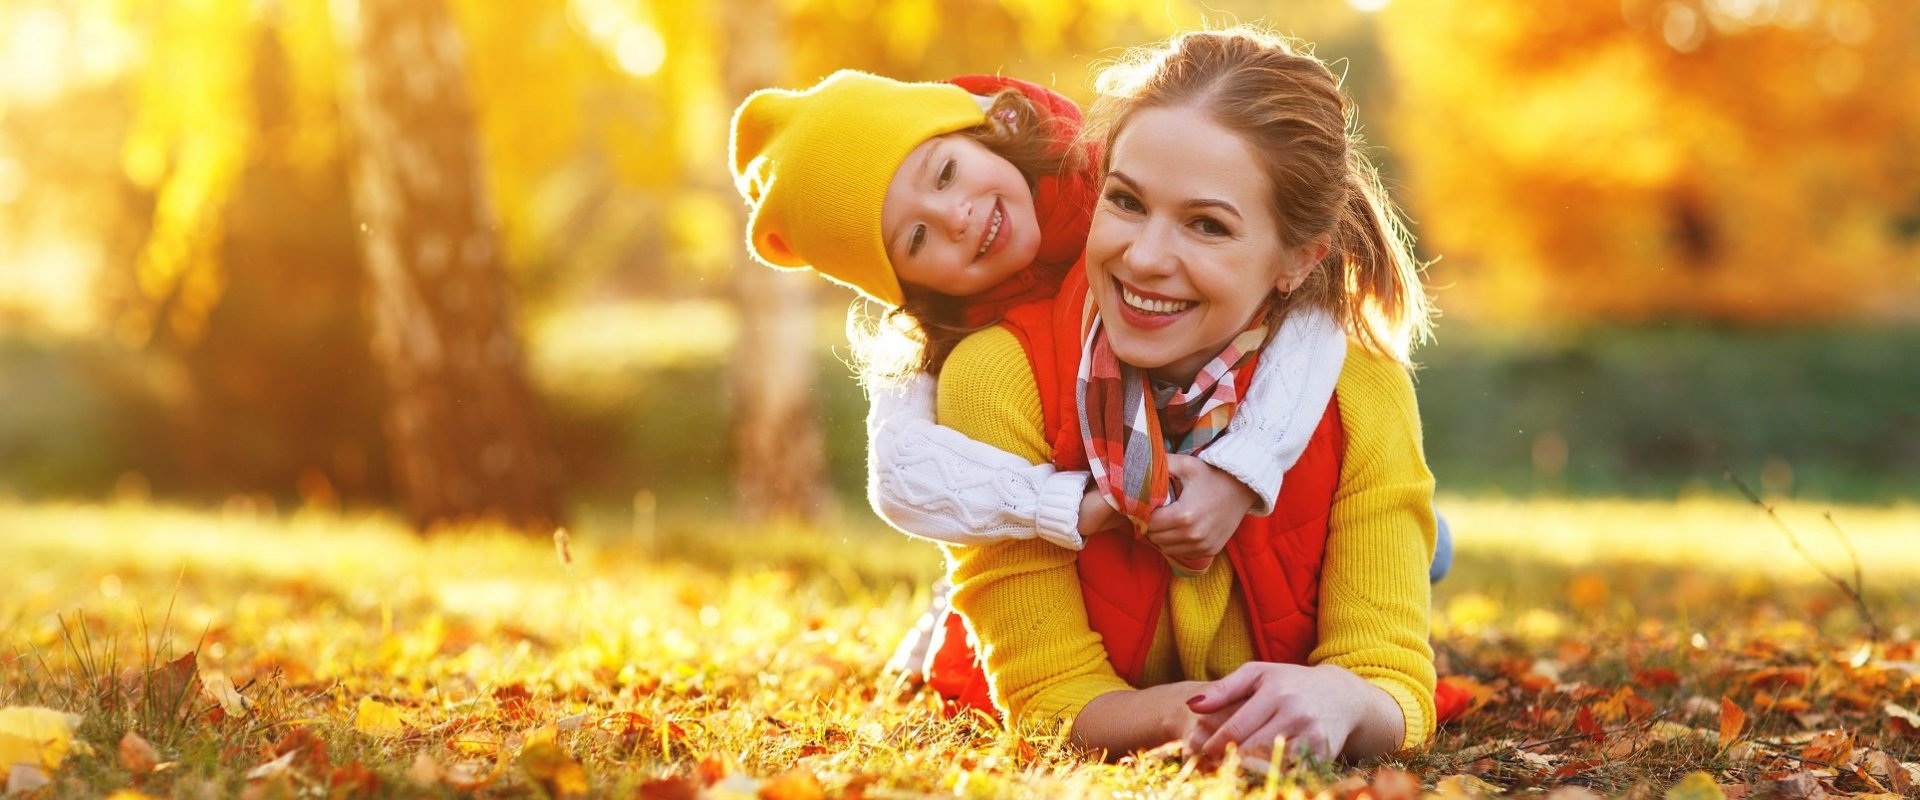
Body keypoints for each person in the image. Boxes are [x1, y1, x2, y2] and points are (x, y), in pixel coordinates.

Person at [728, 70, 1351, 679]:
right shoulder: (949, 346)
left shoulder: (1117, 182)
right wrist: (1061, 503)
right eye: (916, 237)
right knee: (978, 500)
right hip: (1076, 534)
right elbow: (902, 472)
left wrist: (1239, 474)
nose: (957, 218)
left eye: (945, 173)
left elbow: (1314, 316)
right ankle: (950, 611)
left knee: (1399, 535)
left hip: (1240, 469)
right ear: (909, 288)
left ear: (983, 129)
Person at [930, 27, 1439, 761]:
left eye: (1206, 225)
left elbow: (1390, 679)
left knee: (1409, 547)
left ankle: (1426, 544)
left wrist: (1339, 698)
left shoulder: (1362, 388)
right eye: (1127, 202)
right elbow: (1048, 699)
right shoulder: (997, 378)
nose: (1143, 258)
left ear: (1298, 260)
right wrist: (1201, 718)